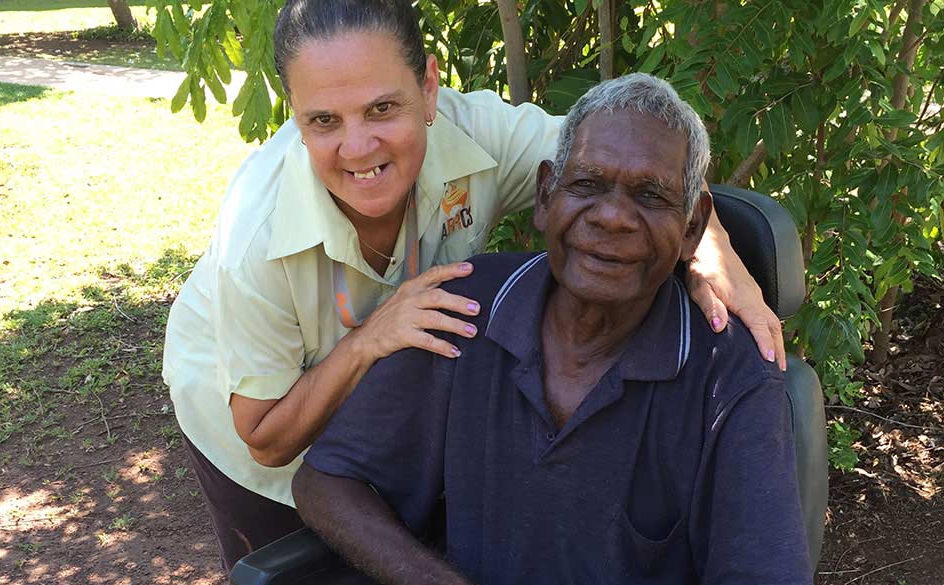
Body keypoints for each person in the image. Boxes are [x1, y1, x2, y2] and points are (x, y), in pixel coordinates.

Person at [161, 0, 786, 573]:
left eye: (383, 107)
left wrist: (719, 258)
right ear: (297, 119)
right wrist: (366, 341)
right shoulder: (260, 236)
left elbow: (628, 155)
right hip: (264, 419)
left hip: (405, 391)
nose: (357, 145)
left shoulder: (482, 138)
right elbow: (270, 441)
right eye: (324, 120)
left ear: (429, 88)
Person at [293, 73, 812, 585]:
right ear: (545, 197)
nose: (612, 217)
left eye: (650, 196)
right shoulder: (464, 308)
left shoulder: (731, 375)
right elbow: (328, 479)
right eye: (586, 184)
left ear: (692, 229)